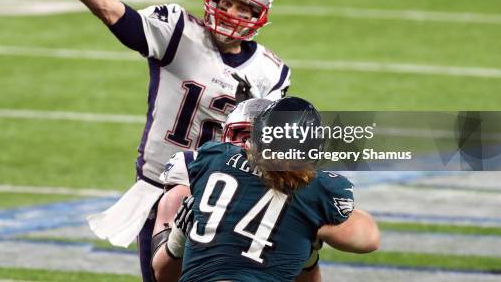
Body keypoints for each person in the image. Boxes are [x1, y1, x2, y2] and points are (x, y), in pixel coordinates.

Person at [33, 0, 292, 281]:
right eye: (225, 2)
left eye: (242, 8)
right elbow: (108, 10)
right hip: (161, 189)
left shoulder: (270, 72)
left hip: (225, 196)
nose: (231, 13)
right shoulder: (178, 31)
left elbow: (272, 152)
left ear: (258, 17)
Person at [151, 97, 380, 282]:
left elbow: (161, 274)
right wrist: (316, 228)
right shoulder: (319, 190)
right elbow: (369, 239)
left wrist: (179, 235)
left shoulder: (212, 158)